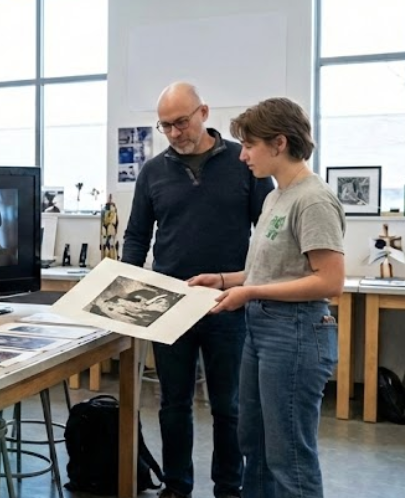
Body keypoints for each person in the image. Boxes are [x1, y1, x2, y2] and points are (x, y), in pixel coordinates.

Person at [122, 82, 274, 498]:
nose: (174, 133)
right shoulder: (153, 171)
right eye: (165, 126)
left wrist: (252, 282)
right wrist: (123, 291)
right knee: (173, 405)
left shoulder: (243, 163)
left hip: (227, 303)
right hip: (168, 304)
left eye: (182, 122)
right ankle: (177, 487)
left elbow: (269, 231)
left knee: (229, 407)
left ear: (203, 112)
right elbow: (137, 237)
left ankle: (229, 487)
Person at [189, 97, 345, 498]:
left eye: (249, 145)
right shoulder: (276, 197)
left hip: (294, 334)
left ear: (279, 143)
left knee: (289, 456)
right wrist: (224, 280)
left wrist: (251, 291)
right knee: (254, 446)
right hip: (261, 330)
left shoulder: (313, 199)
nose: (242, 156)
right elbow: (275, 269)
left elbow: (329, 281)